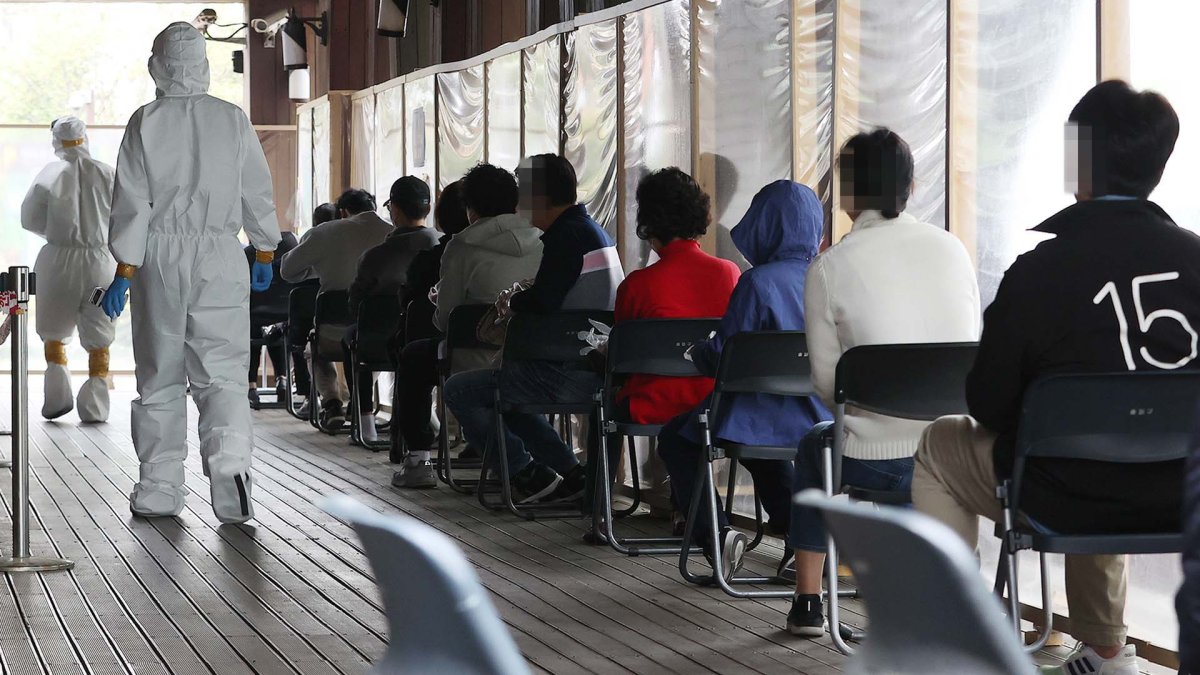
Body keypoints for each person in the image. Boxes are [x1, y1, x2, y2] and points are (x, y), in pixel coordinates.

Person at [912, 81, 1200, 675]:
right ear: (1159, 167)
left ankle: (951, 645)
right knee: (1116, 443)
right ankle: (1105, 651)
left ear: (1078, 163)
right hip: (1187, 492)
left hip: (1062, 494)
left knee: (941, 445)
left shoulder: (1037, 272)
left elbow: (988, 403)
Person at [784, 129, 981, 636]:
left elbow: (827, 386)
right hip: (955, 457)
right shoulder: (953, 250)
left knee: (813, 446)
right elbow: (970, 351)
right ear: (911, 186)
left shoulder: (828, 267)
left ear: (846, 194)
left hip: (877, 462)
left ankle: (808, 602)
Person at [101, 22, 280, 524]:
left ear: (157, 66)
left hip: (159, 256)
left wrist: (125, 268)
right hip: (221, 254)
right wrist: (265, 249)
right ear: (203, 64)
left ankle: (159, 488)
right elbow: (255, 189)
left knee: (160, 374)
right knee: (222, 374)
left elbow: (132, 201)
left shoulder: (145, 121)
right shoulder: (231, 118)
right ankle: (230, 469)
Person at [656, 180, 830, 577]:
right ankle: (802, 536)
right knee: (761, 452)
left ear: (763, 225)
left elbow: (726, 356)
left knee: (677, 438)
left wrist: (698, 352)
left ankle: (717, 536)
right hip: (818, 413)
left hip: (755, 413)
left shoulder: (758, 282)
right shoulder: (827, 278)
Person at [443, 155, 622, 504]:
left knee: (461, 390)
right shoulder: (594, 231)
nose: (517, 204)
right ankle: (570, 472)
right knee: (505, 396)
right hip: (598, 370)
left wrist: (513, 301)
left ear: (540, 197)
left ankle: (525, 473)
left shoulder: (564, 237)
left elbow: (544, 301)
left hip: (566, 373)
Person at [20, 116, 117, 423]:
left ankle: (57, 396)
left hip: (58, 261)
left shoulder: (49, 174)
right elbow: (127, 217)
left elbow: (29, 219)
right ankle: (95, 406)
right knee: (100, 331)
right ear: (84, 137)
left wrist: (58, 233)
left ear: (56, 141)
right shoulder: (108, 173)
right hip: (101, 261)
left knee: (53, 331)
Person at [280, 189, 392, 429]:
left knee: (315, 347)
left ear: (342, 212)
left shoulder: (324, 232)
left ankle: (332, 403)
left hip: (332, 332)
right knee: (372, 351)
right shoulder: (393, 233)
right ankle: (360, 399)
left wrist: (318, 269)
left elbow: (287, 271)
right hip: (382, 332)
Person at [390, 180, 475, 487]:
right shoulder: (536, 245)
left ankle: (418, 460)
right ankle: (489, 443)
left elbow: (428, 309)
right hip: (511, 352)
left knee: (411, 357)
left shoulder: (438, 257)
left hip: (452, 352)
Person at [343, 177, 437, 441]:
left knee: (352, 338)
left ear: (394, 210)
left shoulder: (375, 256)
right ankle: (431, 417)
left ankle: (365, 421)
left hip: (379, 341)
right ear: (428, 209)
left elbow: (355, 304)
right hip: (434, 338)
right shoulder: (444, 248)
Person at [245, 231, 299, 404]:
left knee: (251, 331)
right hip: (287, 315)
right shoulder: (293, 253)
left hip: (255, 315)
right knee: (278, 330)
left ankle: (251, 386)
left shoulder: (248, 255)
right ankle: (282, 379)